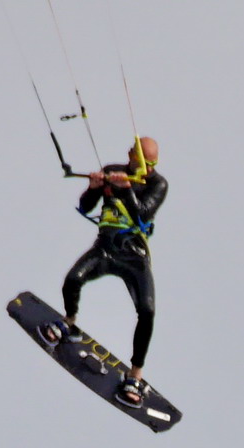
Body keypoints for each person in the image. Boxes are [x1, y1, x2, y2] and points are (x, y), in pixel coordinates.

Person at [62, 137, 167, 406]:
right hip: (105, 248)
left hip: (134, 255)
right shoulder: (112, 169)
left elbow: (142, 215)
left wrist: (126, 188)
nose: (128, 152)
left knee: (147, 310)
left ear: (143, 161)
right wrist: (95, 187)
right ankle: (69, 324)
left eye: (134, 151)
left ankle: (135, 375)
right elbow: (87, 206)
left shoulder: (157, 184)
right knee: (73, 280)